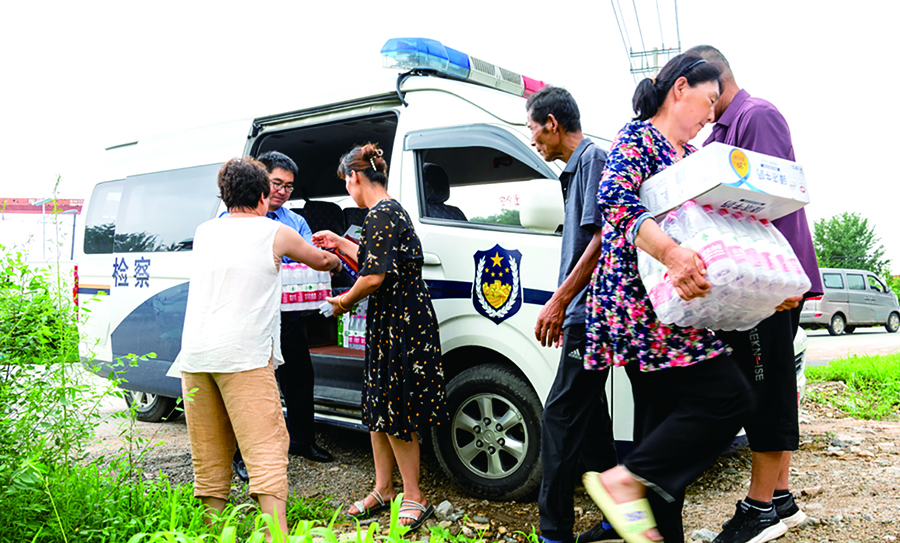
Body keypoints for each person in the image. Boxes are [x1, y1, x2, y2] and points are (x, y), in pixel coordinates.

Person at [580, 54, 753, 543]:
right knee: (730, 397)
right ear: (680, 88)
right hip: (641, 306)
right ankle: (621, 482)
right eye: (709, 100)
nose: (712, 113)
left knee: (660, 436)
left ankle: (632, 522)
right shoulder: (636, 138)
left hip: (672, 307)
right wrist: (674, 255)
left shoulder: (686, 156)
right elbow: (616, 202)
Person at [687, 44, 824, 543]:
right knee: (765, 386)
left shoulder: (756, 116)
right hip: (754, 286)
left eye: (691, 94)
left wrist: (782, 284)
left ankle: (760, 507)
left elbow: (776, 203)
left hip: (771, 286)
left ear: (713, 85)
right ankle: (782, 499)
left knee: (764, 392)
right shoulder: (723, 130)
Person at [177, 157, 341, 540]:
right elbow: (318, 260)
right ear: (265, 194)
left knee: (211, 454)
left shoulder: (204, 231)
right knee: (267, 449)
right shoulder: (274, 232)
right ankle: (276, 536)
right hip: (244, 357)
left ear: (225, 194)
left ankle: (213, 532)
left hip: (195, 358)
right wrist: (334, 258)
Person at [314, 143, 446, 531]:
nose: (348, 191)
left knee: (397, 409)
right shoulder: (387, 212)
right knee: (378, 407)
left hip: (401, 321)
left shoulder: (381, 214)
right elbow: (375, 260)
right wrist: (340, 243)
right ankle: (384, 488)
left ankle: (414, 495)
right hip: (393, 317)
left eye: (346, 183)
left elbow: (373, 277)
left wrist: (342, 301)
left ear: (354, 177)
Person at [525, 85, 619, 543]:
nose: (533, 141)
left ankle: (554, 531)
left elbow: (602, 238)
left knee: (558, 417)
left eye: (533, 130)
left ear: (552, 124)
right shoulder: (577, 170)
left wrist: (561, 301)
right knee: (594, 421)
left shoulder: (593, 160)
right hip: (585, 313)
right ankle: (619, 517)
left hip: (592, 313)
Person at [232, 151, 331, 483]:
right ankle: (243, 455)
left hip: (286, 313)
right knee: (254, 385)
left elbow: (309, 258)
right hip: (250, 313)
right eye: (276, 183)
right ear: (261, 180)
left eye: (289, 186)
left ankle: (302, 441)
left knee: (300, 376)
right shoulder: (234, 217)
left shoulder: (295, 221)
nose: (282, 191)